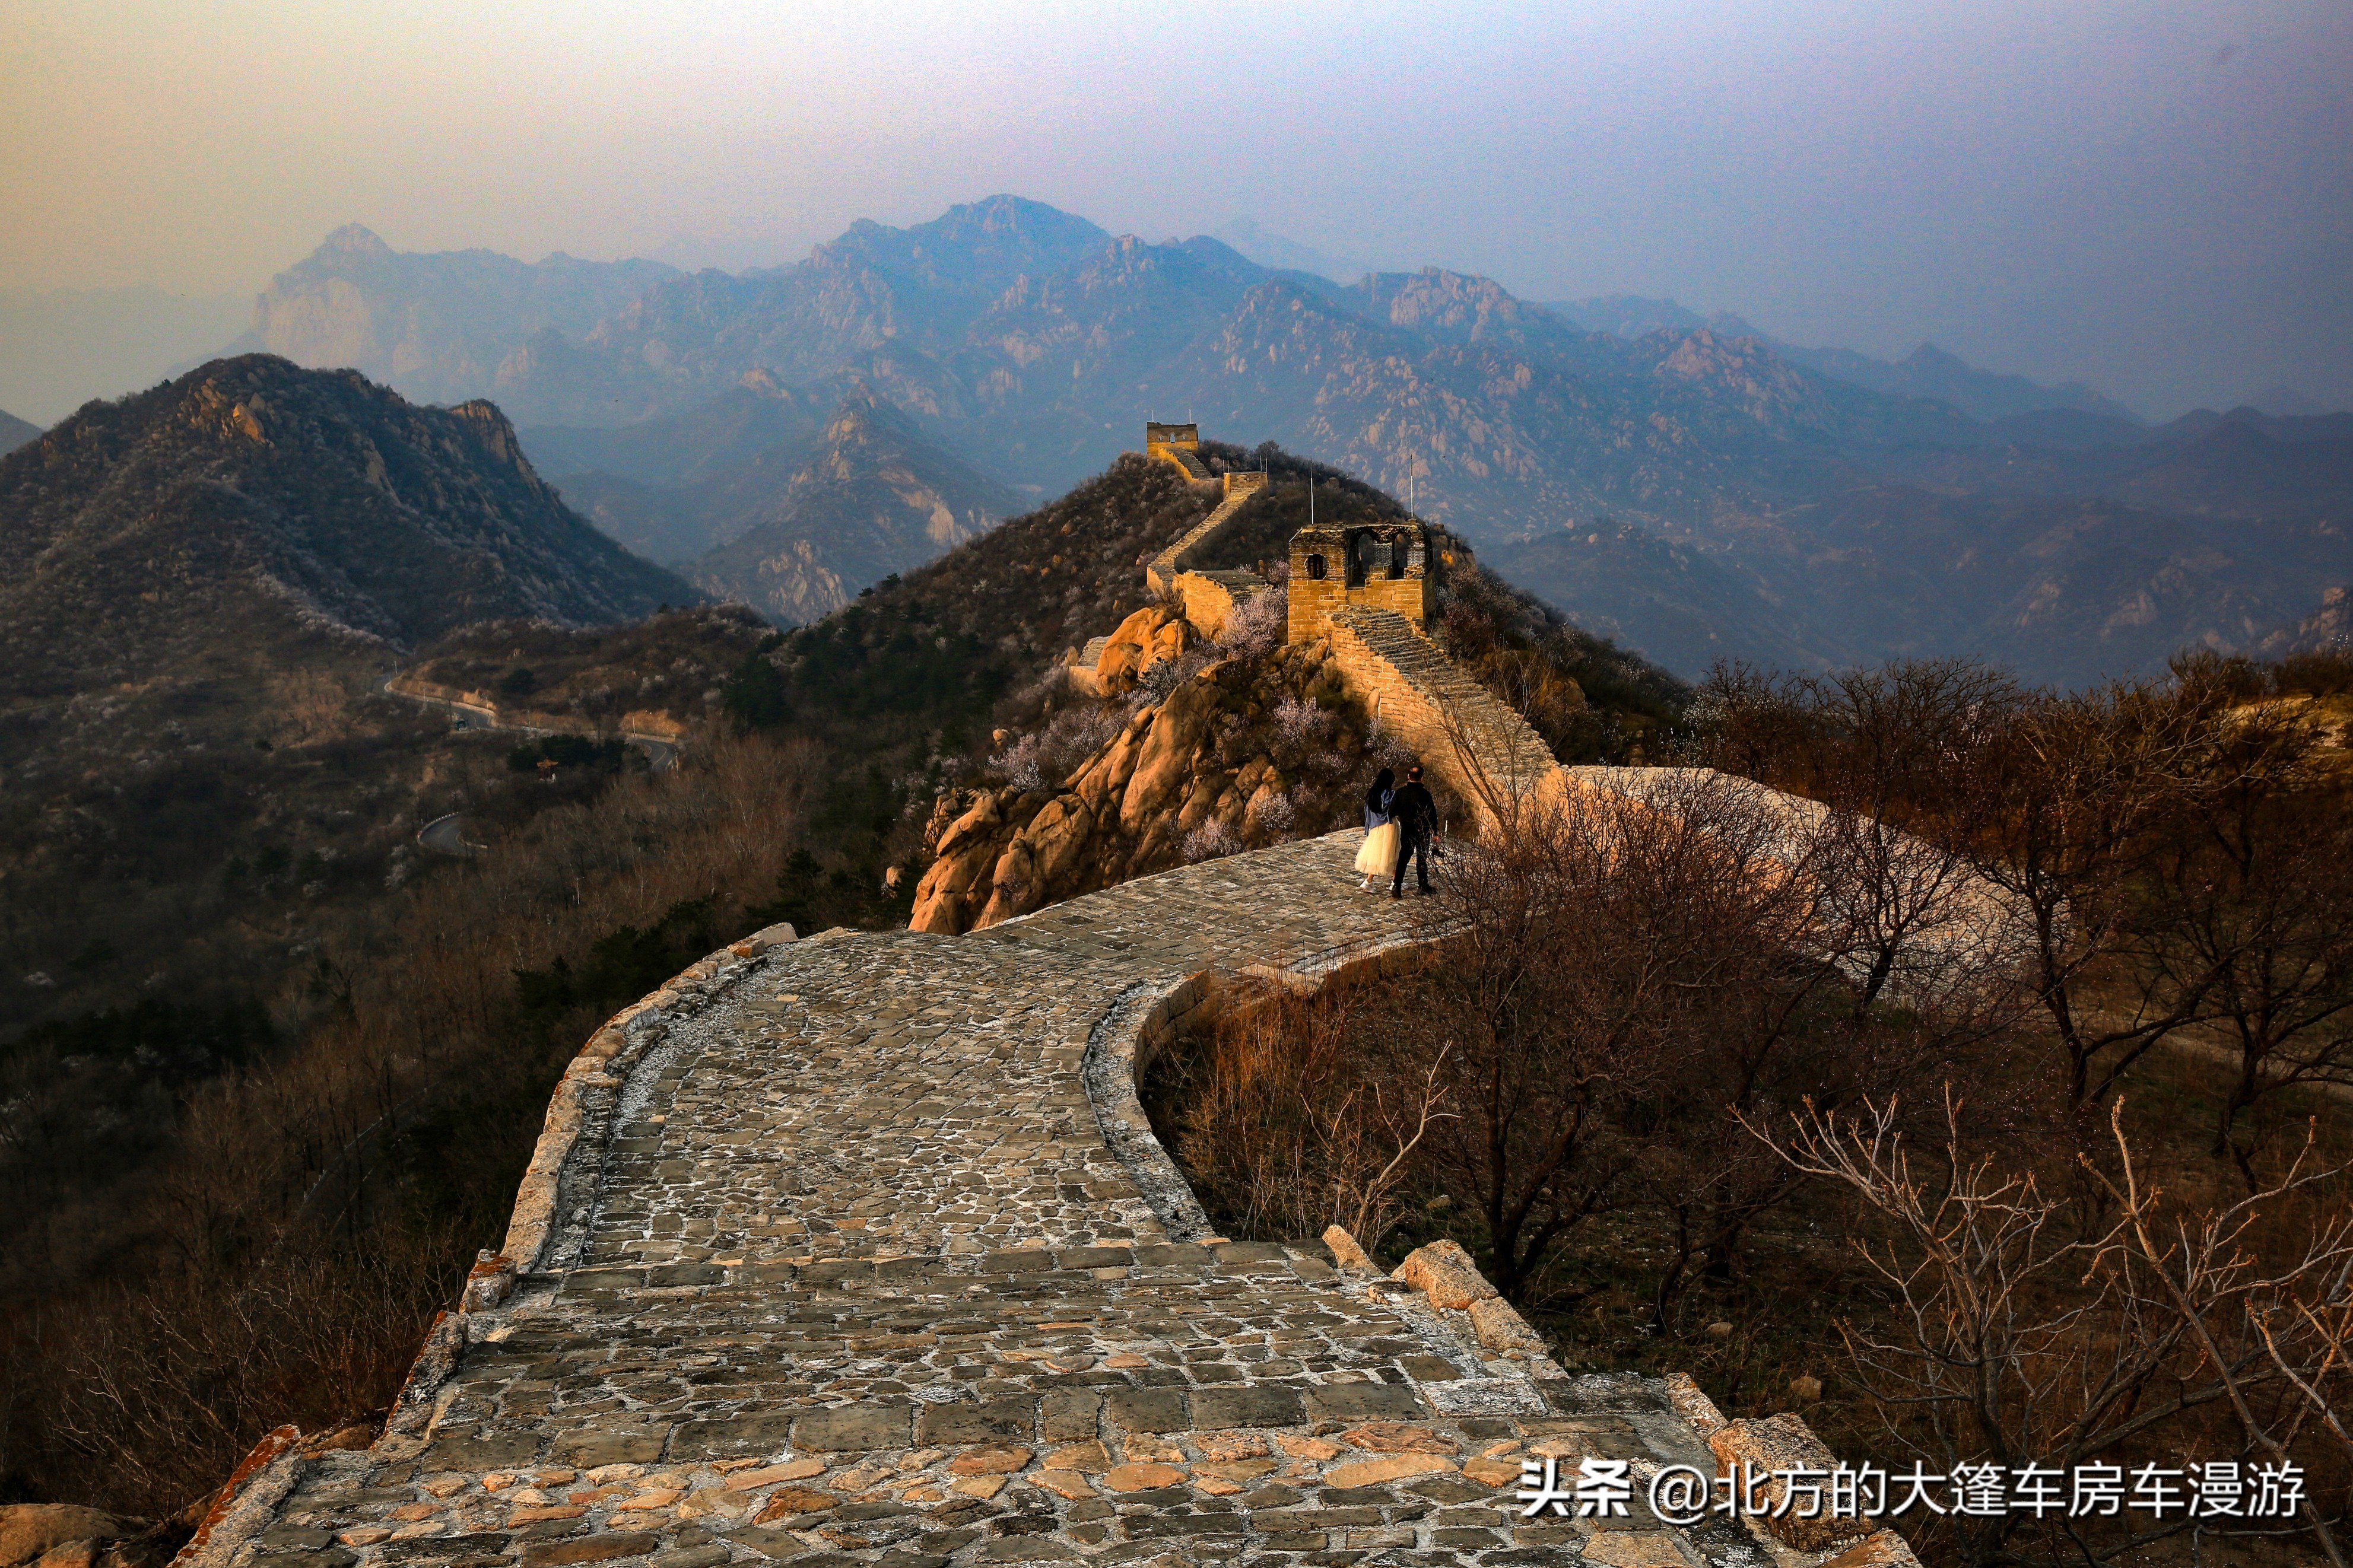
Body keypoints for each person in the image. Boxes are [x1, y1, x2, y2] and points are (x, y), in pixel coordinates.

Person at [1388, 763, 1437, 898]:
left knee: (1403, 858)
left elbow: (1392, 811)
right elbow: (1432, 814)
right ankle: (1423, 886)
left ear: (1408, 776)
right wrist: (1436, 832)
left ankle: (1397, 886)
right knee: (1422, 858)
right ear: (1422, 778)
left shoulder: (1401, 793)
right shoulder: (1426, 795)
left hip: (1407, 829)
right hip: (1422, 830)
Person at [1353, 767, 1398, 890]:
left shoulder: (1372, 794)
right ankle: (1395, 882)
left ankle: (1369, 881)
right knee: (1392, 853)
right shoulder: (1388, 794)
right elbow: (1395, 806)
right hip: (1389, 826)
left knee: (1378, 854)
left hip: (1376, 827)